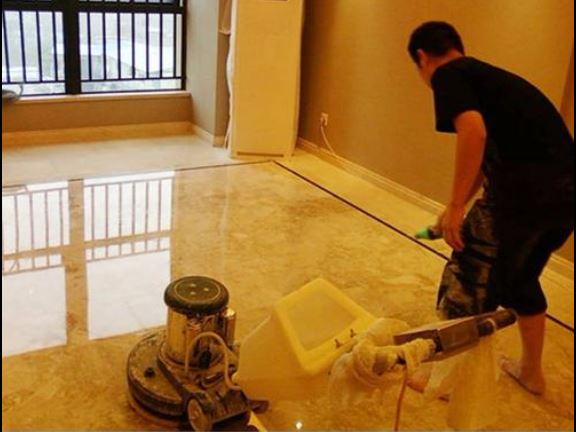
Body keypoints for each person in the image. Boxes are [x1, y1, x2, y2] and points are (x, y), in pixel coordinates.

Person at [407, 21, 574, 395]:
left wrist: (455, 207)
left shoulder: (449, 73)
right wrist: (457, 205)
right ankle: (531, 372)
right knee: (520, 279)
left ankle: (445, 380)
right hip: (564, 200)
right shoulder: (489, 80)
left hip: (522, 197)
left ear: (422, 57)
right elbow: (489, 154)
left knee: (468, 276)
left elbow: (473, 132)